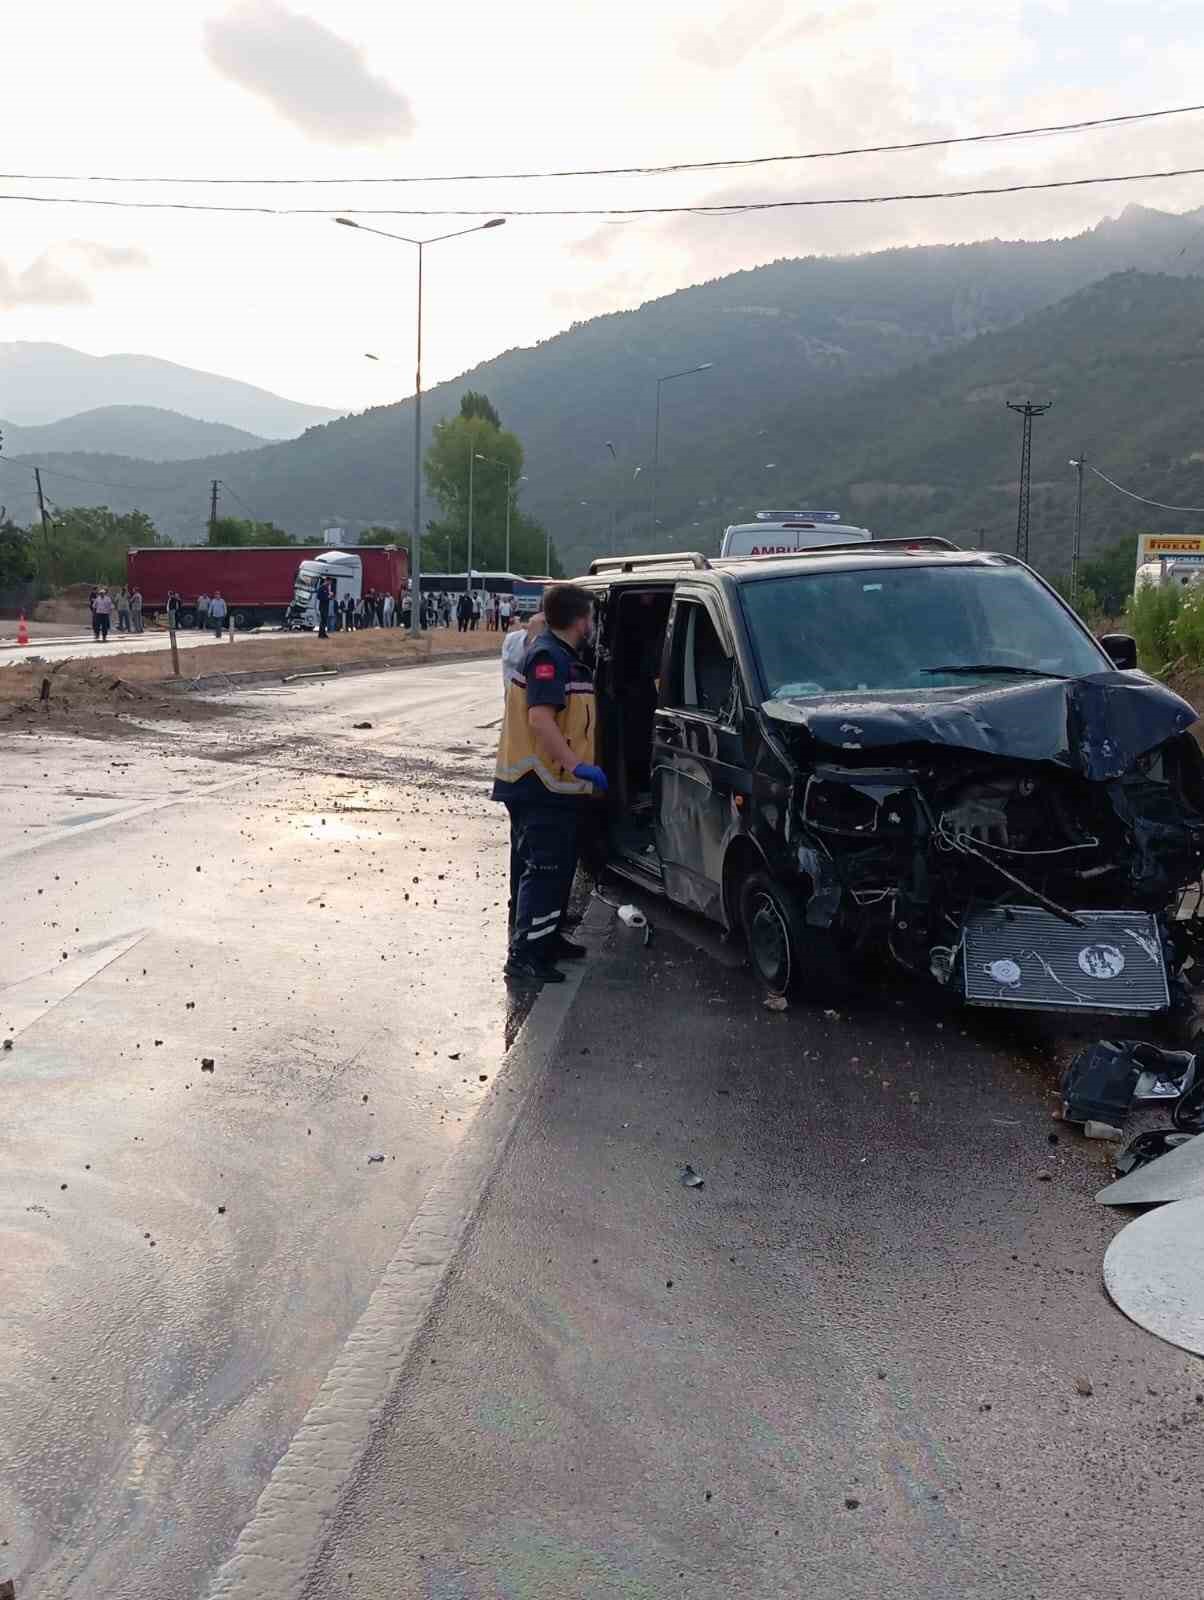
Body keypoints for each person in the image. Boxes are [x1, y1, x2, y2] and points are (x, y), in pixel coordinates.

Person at [492, 584, 606, 987]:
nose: (593, 625)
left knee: (555, 870)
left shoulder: (566, 658)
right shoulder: (548, 658)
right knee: (544, 870)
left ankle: (547, 939)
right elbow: (541, 720)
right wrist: (577, 765)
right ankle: (525, 956)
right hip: (538, 784)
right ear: (579, 620)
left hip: (552, 785)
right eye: (591, 617)